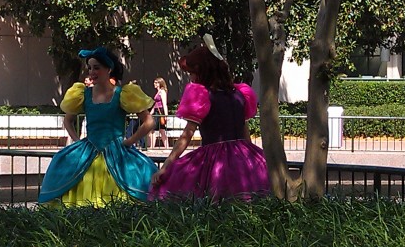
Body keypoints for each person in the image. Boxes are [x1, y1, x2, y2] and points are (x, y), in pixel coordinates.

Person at [149, 36, 270, 201]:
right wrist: (250, 161)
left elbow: (187, 135)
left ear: (203, 71)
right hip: (242, 154)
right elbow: (244, 130)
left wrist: (166, 167)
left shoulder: (203, 95)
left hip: (216, 159)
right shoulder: (240, 94)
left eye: (192, 73)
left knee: (213, 201)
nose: (190, 77)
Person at [39, 47, 158, 207]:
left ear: (109, 69)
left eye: (97, 67)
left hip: (116, 153)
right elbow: (68, 120)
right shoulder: (83, 94)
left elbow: (149, 121)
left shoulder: (123, 94)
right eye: (89, 68)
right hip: (89, 150)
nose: (92, 72)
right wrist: (77, 141)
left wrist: (130, 141)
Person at [150, 77, 169, 149]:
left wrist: (166, 115)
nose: (154, 84)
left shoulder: (162, 92)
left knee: (155, 129)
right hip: (156, 111)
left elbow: (164, 104)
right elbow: (155, 104)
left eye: (156, 83)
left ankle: (152, 147)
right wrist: (151, 112)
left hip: (160, 112)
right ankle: (166, 147)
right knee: (161, 130)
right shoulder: (158, 92)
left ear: (160, 83)